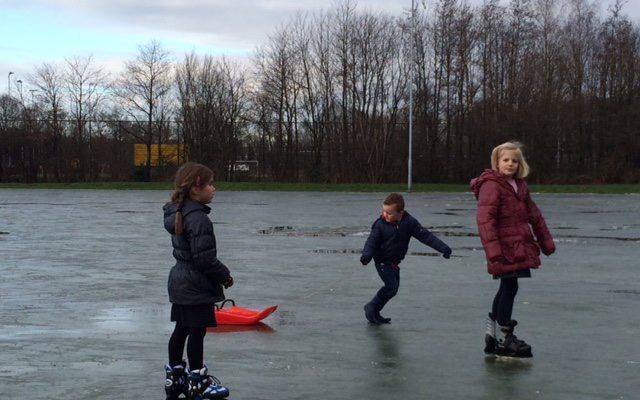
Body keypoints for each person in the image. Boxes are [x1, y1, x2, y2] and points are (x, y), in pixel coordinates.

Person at [470, 142, 555, 358]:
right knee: (509, 287)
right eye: (505, 160)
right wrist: (493, 250)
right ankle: (503, 336)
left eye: (514, 161)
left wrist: (546, 242)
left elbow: (534, 215)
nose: (510, 164)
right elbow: (485, 220)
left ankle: (494, 334)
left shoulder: (519, 186)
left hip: (518, 246)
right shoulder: (492, 186)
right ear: (496, 162)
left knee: (508, 285)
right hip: (503, 247)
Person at [163, 162, 234, 399]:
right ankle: (197, 380)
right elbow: (204, 259)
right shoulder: (199, 218)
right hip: (195, 284)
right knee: (196, 332)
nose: (214, 189)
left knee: (181, 329)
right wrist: (225, 276)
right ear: (197, 187)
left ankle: (175, 377)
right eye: (211, 184)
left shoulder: (179, 212)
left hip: (179, 281)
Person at [360, 193, 452, 324]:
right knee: (391, 286)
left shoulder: (410, 223)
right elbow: (371, 242)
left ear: (401, 212)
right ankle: (371, 307)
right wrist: (366, 256)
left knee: (393, 289)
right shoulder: (380, 224)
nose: (385, 215)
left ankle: (375, 311)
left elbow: (426, 236)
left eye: (389, 213)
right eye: (384, 211)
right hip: (382, 261)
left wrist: (443, 248)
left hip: (394, 262)